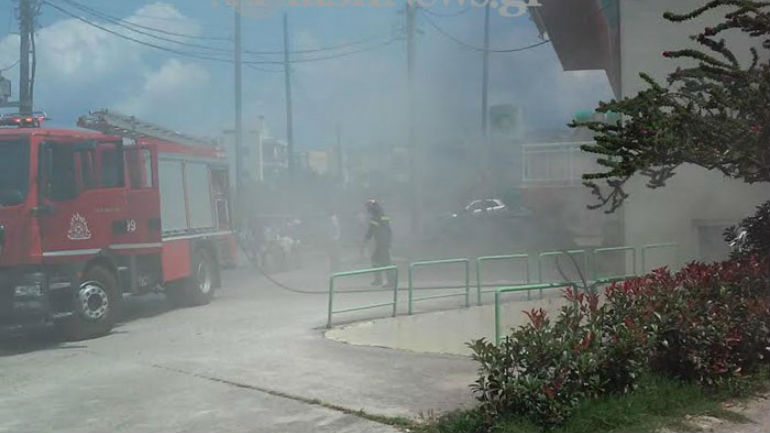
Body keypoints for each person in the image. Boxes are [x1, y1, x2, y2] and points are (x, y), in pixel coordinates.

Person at [362, 199, 393, 286]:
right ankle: (379, 280)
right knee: (376, 260)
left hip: (383, 243)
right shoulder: (379, 215)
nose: (367, 210)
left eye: (368, 207)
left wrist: (366, 238)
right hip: (382, 242)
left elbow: (372, 229)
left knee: (386, 262)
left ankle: (391, 282)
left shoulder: (378, 216)